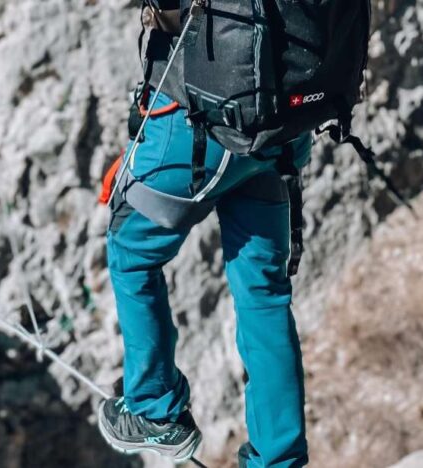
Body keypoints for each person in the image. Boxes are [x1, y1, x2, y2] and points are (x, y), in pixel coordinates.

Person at [96, 3, 310, 467]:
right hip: (282, 122)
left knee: (131, 250)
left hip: (205, 120)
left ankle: (155, 411)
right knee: (264, 292)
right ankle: (278, 458)